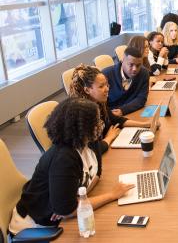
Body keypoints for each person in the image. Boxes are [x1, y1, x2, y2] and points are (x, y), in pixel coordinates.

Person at [8, 98, 134, 235]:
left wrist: (79, 200)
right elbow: (68, 211)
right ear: (81, 127)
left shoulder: (88, 140)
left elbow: (97, 174)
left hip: (63, 213)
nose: (101, 124)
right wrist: (112, 195)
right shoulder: (63, 158)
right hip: (36, 227)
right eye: (96, 121)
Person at [69, 65, 151, 152]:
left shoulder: (99, 104)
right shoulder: (81, 114)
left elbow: (117, 120)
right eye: (101, 86)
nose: (107, 89)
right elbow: (90, 151)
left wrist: (145, 125)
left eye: (106, 85)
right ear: (87, 90)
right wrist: (109, 138)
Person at [102, 46, 149, 116]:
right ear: (122, 60)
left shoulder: (144, 73)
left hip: (130, 112)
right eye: (131, 65)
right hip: (111, 115)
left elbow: (141, 99)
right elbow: (100, 103)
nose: (134, 69)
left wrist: (123, 110)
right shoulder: (106, 74)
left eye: (138, 65)